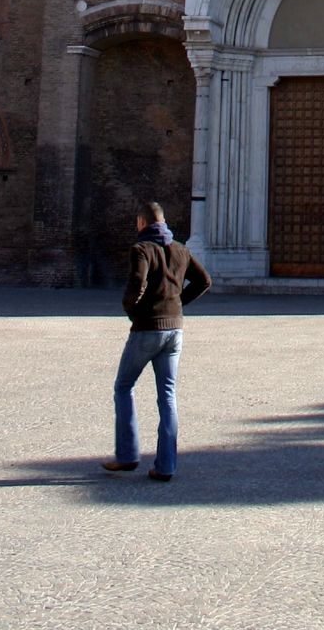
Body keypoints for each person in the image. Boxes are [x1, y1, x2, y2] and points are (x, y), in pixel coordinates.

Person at [101, 200, 211, 482]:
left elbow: (137, 283)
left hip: (147, 328)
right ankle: (166, 466)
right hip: (175, 329)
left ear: (142, 222)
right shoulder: (181, 249)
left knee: (123, 386)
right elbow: (204, 281)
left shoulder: (141, 249)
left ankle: (127, 455)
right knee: (168, 396)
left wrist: (132, 310)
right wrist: (178, 304)